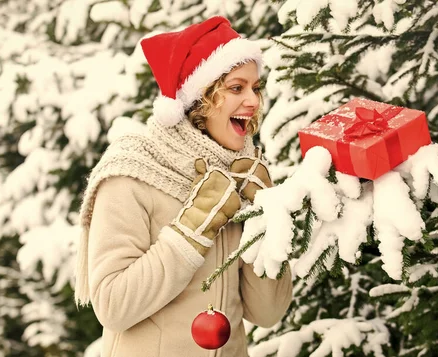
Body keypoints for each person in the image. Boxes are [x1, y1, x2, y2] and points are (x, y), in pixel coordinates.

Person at [74, 16, 293, 357]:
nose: (252, 101)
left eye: (255, 87)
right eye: (237, 88)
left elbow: (268, 313)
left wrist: (263, 222)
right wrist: (191, 230)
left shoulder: (242, 177)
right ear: (199, 99)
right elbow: (113, 306)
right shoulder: (132, 173)